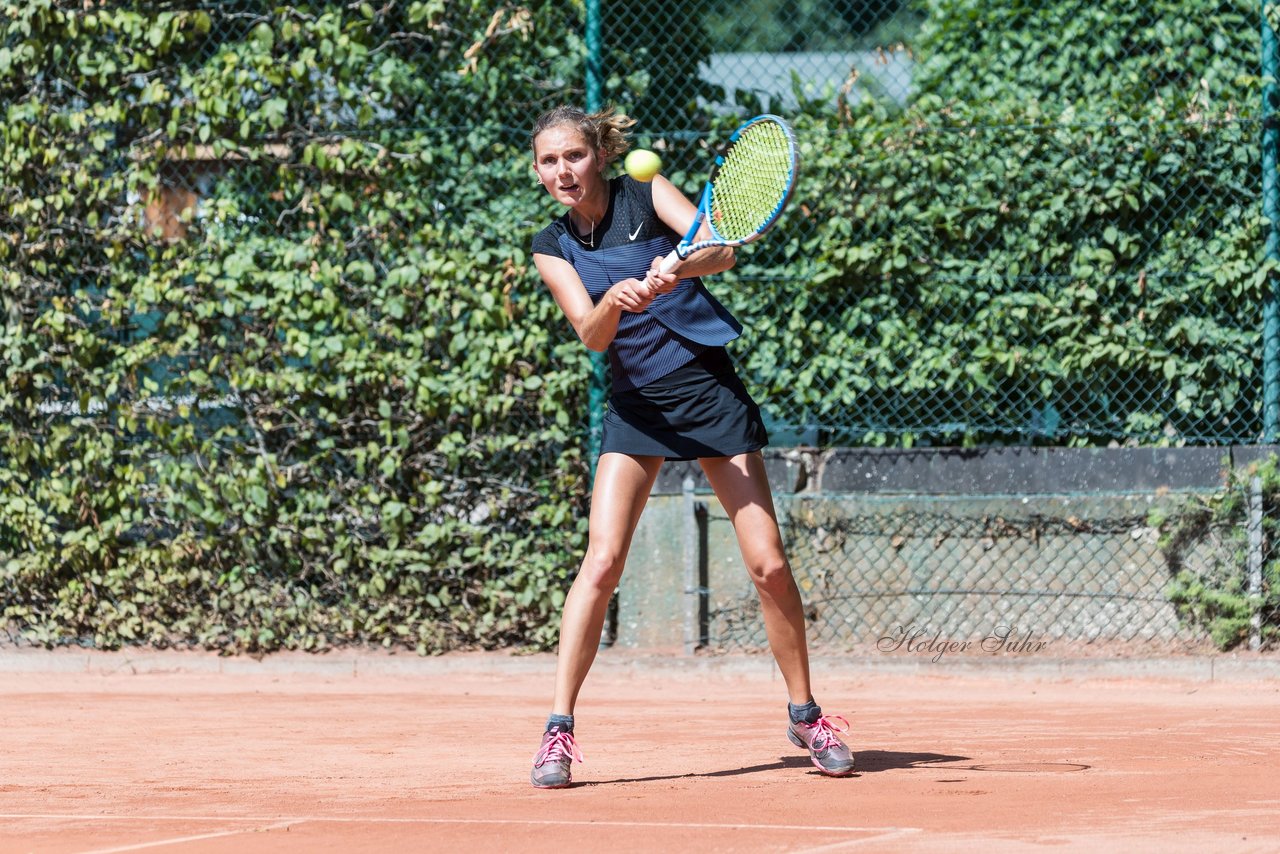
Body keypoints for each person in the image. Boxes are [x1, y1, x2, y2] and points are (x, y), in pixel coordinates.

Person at [527, 104, 854, 788]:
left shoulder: (648, 196)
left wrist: (676, 265)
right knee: (603, 560)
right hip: (638, 408)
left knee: (766, 564)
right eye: (549, 161)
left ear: (599, 156)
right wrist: (615, 298)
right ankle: (558, 731)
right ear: (538, 171)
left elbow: (722, 249)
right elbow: (590, 334)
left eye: (574, 156)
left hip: (707, 393)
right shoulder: (550, 245)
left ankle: (806, 713)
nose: (563, 171)